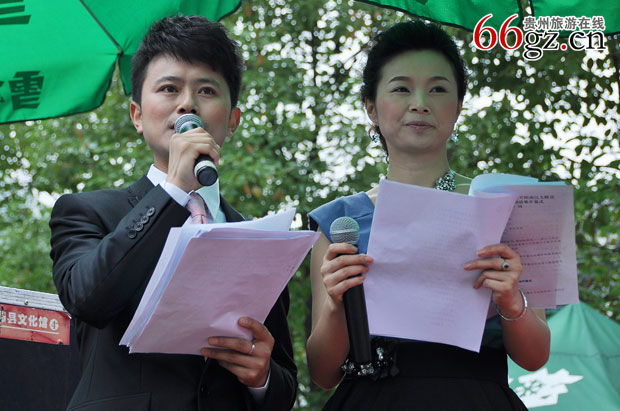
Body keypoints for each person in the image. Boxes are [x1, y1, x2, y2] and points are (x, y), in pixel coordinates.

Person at [49, 15, 297, 411]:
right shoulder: (87, 212)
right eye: (169, 88)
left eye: (206, 90)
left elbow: (284, 386)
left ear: (232, 121)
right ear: (137, 115)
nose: (187, 104)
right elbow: (87, 299)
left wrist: (262, 377)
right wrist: (174, 189)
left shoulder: (260, 238)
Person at [306, 21, 550, 410]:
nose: (420, 102)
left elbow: (536, 357)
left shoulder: (503, 208)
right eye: (401, 88)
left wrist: (510, 302)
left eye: (437, 89)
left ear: (458, 107)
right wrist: (338, 305)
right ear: (371, 108)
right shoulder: (339, 223)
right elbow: (323, 373)